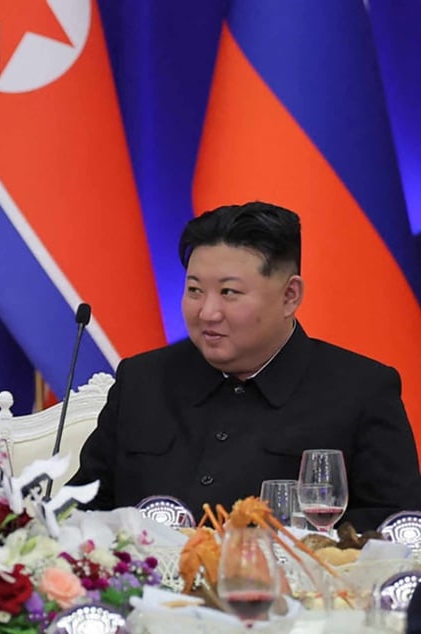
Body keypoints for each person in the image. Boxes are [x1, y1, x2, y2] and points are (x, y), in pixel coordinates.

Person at [69, 201, 421, 531]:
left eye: (229, 293)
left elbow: (396, 525)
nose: (207, 312)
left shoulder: (361, 391)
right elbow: (83, 504)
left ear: (289, 296)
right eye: (194, 290)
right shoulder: (142, 380)